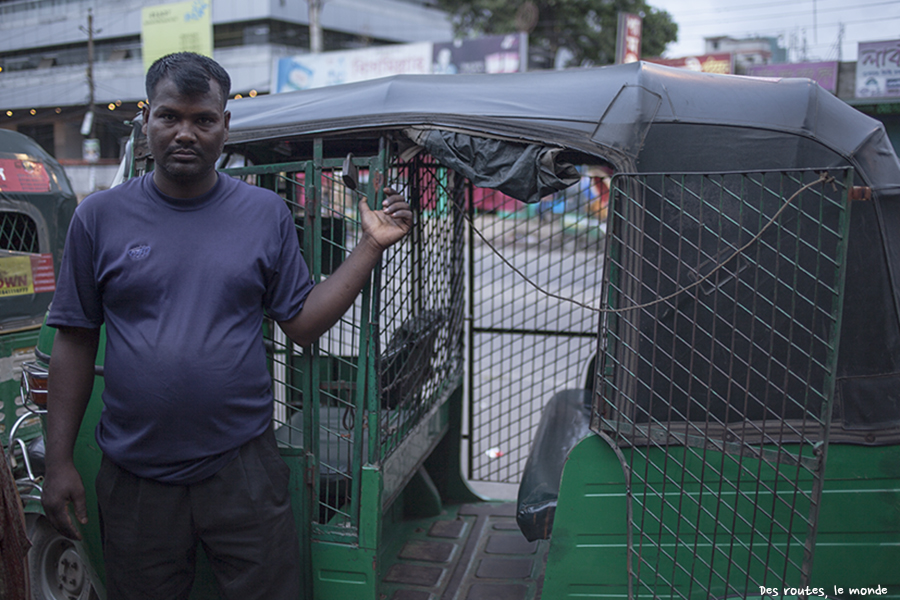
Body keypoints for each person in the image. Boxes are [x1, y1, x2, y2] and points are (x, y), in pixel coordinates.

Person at [41, 52, 412, 600]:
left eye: (202, 119)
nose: (185, 133)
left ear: (225, 126)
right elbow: (74, 340)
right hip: (134, 476)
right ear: (147, 120)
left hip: (242, 470)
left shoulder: (264, 213)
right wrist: (58, 461)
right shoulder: (99, 218)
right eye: (169, 116)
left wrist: (368, 247)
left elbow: (303, 324)